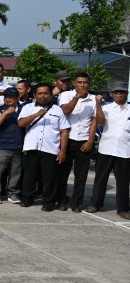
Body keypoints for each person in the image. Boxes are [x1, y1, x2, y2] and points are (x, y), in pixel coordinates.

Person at [18, 83, 70, 211]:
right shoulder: (28, 107)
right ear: (35, 95)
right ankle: (27, 199)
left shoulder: (58, 110)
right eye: (40, 93)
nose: (43, 96)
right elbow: (21, 123)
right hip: (31, 147)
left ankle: (48, 202)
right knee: (29, 176)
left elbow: (64, 131)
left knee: (49, 178)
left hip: (50, 148)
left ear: (51, 95)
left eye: (46, 93)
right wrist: (36, 115)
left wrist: (63, 151)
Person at [85, 82, 129, 218]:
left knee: (123, 181)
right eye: (116, 92)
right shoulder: (107, 108)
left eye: (121, 91)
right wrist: (98, 104)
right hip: (106, 148)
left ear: (126, 93)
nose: (119, 94)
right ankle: (96, 204)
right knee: (100, 178)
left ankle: (123, 208)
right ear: (111, 94)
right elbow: (101, 120)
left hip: (125, 150)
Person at [55, 72, 97, 212]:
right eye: (79, 82)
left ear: (89, 84)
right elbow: (65, 111)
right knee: (62, 172)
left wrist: (90, 141)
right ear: (74, 83)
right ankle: (61, 200)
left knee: (81, 175)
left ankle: (76, 202)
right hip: (67, 139)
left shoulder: (93, 99)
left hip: (84, 140)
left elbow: (94, 121)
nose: (82, 85)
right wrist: (77, 97)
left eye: (85, 82)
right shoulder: (65, 95)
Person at [0, 87, 24, 204]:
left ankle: (13, 193)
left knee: (16, 171)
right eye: (6, 97)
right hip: (2, 146)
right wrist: (6, 113)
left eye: (11, 97)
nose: (8, 99)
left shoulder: (24, 109)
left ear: (17, 98)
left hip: (18, 145)